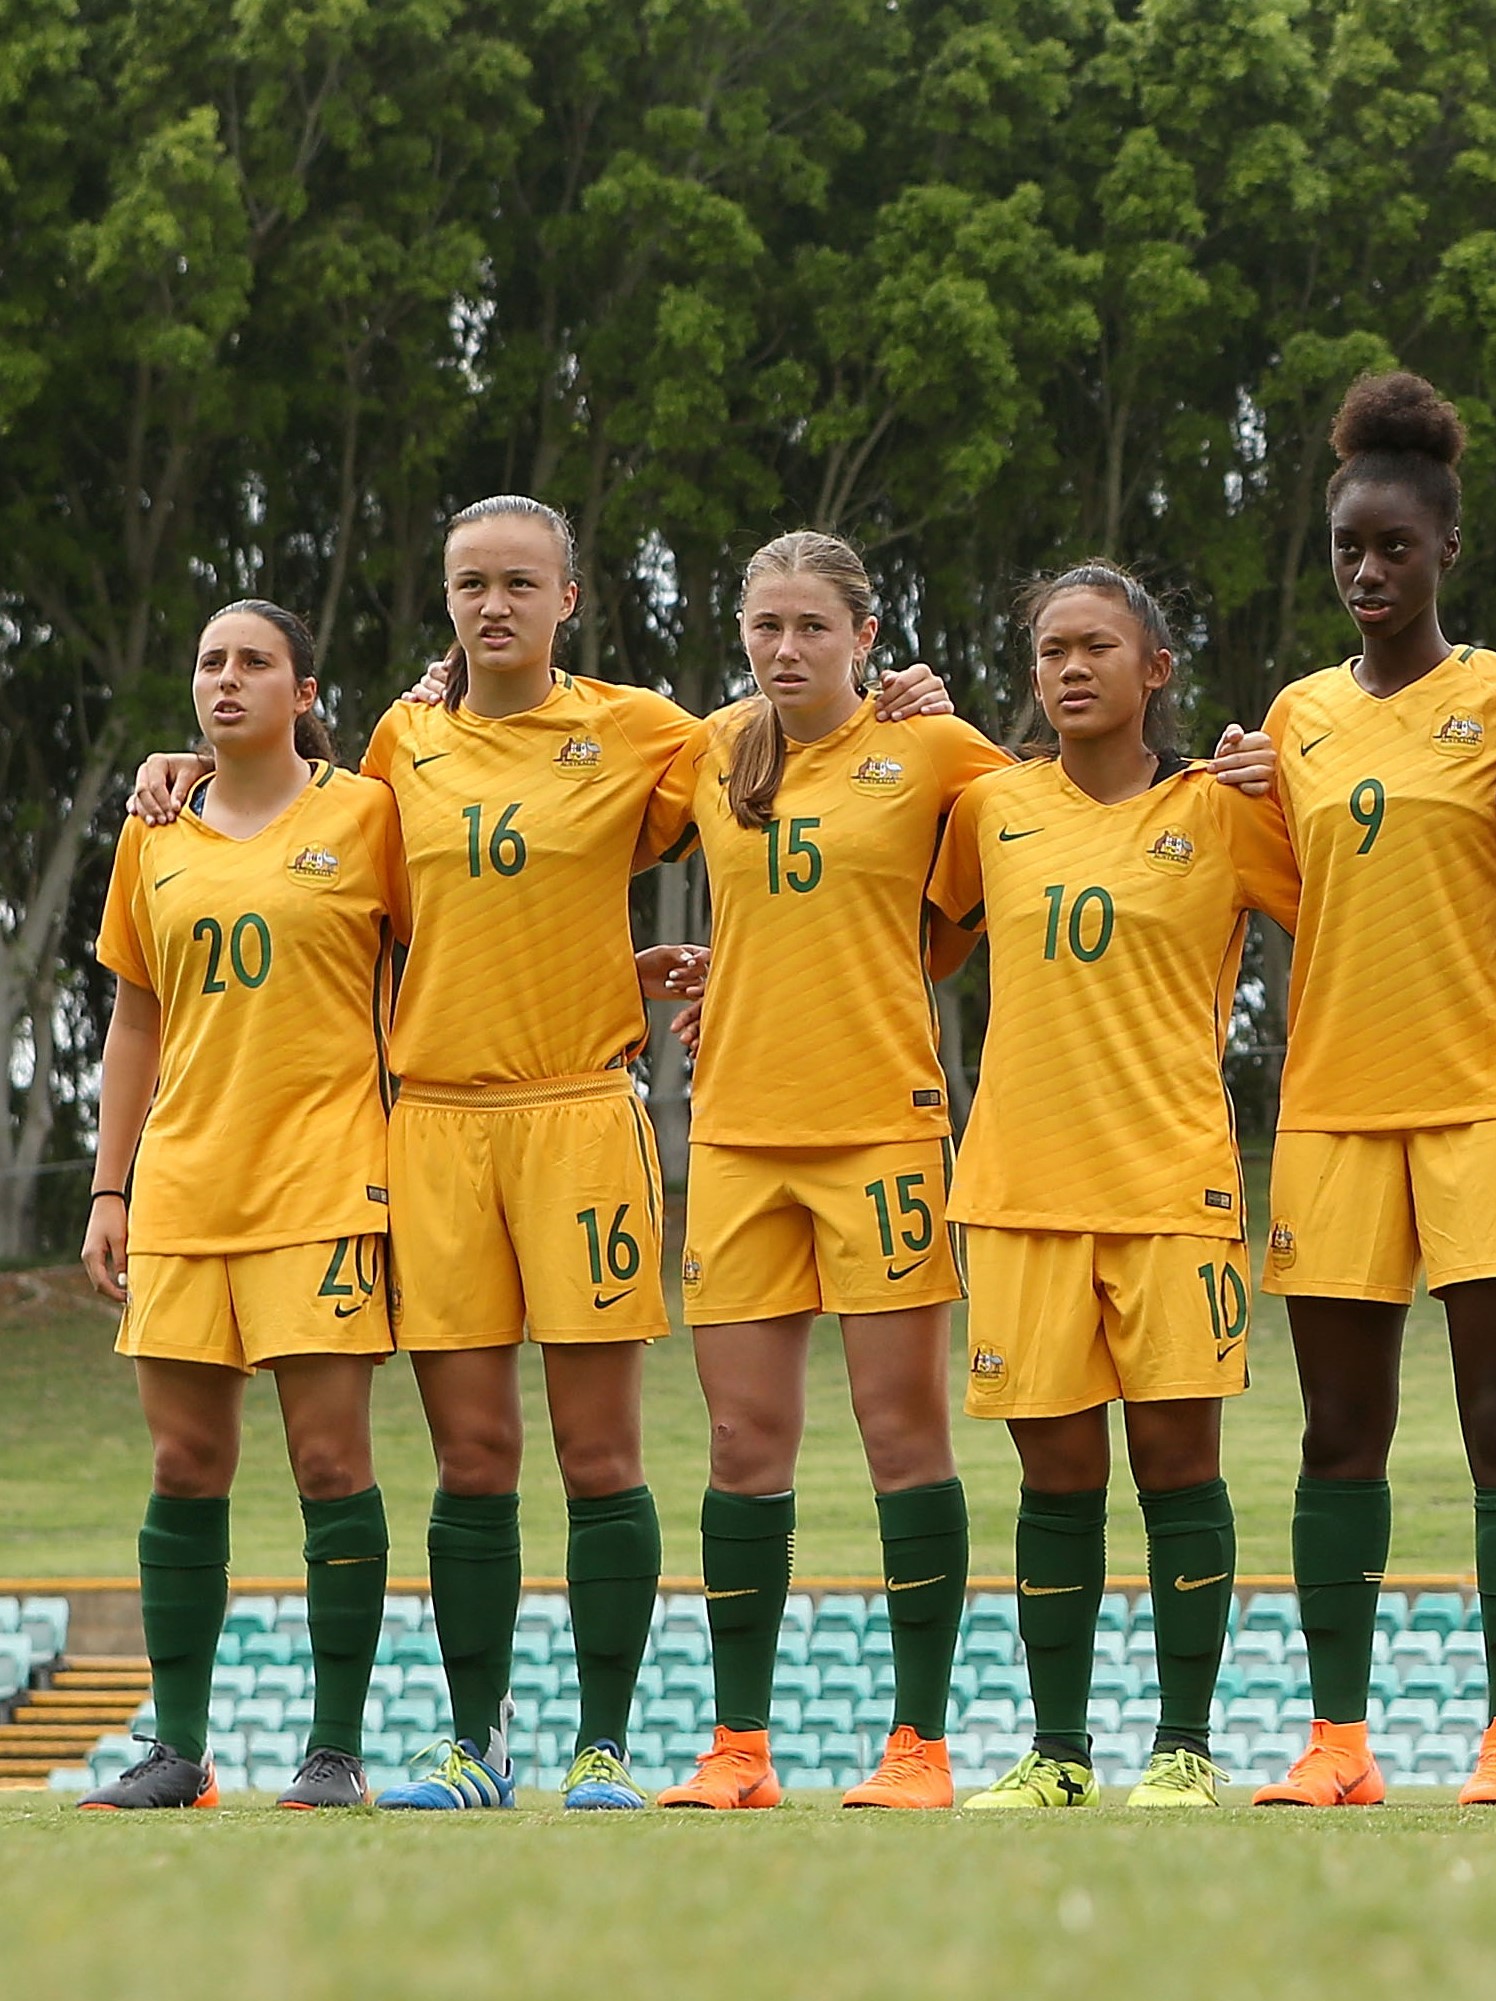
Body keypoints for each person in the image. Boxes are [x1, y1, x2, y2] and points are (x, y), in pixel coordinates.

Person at [127, 497, 953, 1810]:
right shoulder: (401, 742)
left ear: (569, 598)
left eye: (521, 581)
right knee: (472, 1456)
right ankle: (472, 1742)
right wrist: (182, 762)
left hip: (583, 1114)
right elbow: (299, 828)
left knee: (600, 1453)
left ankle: (604, 1746)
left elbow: (793, 776)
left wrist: (895, 699)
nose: (493, 602)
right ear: (446, 600)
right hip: (437, 1121)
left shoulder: (646, 734)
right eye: (470, 582)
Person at [1228, 372, 1496, 1808]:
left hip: (1491, 1100)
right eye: (1347, 551)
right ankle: (1338, 1742)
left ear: (1444, 552)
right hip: (1332, 1112)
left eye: (1393, 549)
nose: (1368, 573)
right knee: (1336, 1434)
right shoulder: (1294, 716)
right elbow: (1275, 889)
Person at [642, 533, 1011, 1811]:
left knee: (900, 1432)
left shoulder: (937, 750)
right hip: (737, 1137)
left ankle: (920, 1748)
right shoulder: (707, 751)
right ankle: (737, 1749)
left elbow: (1023, 867)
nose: (785, 649)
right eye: (765, 626)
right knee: (744, 1443)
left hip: (882, 1134)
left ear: (866, 634)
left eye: (812, 627)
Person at [931, 563, 1298, 1810]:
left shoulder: (1225, 808)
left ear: (1158, 671)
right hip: (1020, 1188)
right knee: (1055, 1479)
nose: (1070, 668)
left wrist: (1290, 788)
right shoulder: (989, 806)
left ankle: (1185, 1743)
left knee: (1179, 1467)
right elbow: (900, 935)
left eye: (1097, 646)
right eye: (1049, 651)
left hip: (1172, 1186)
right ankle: (1058, 1753)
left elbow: (1353, 905)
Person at [77, 603, 404, 1811]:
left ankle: (333, 1750)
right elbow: (135, 1019)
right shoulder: (151, 829)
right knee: (184, 1461)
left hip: (324, 1182)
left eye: (254, 660)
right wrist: (110, 1187)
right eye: (210, 661)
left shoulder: (367, 814)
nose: (226, 678)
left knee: (329, 1461)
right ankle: (177, 1751)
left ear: (305, 690)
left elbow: (451, 950)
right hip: (181, 1189)